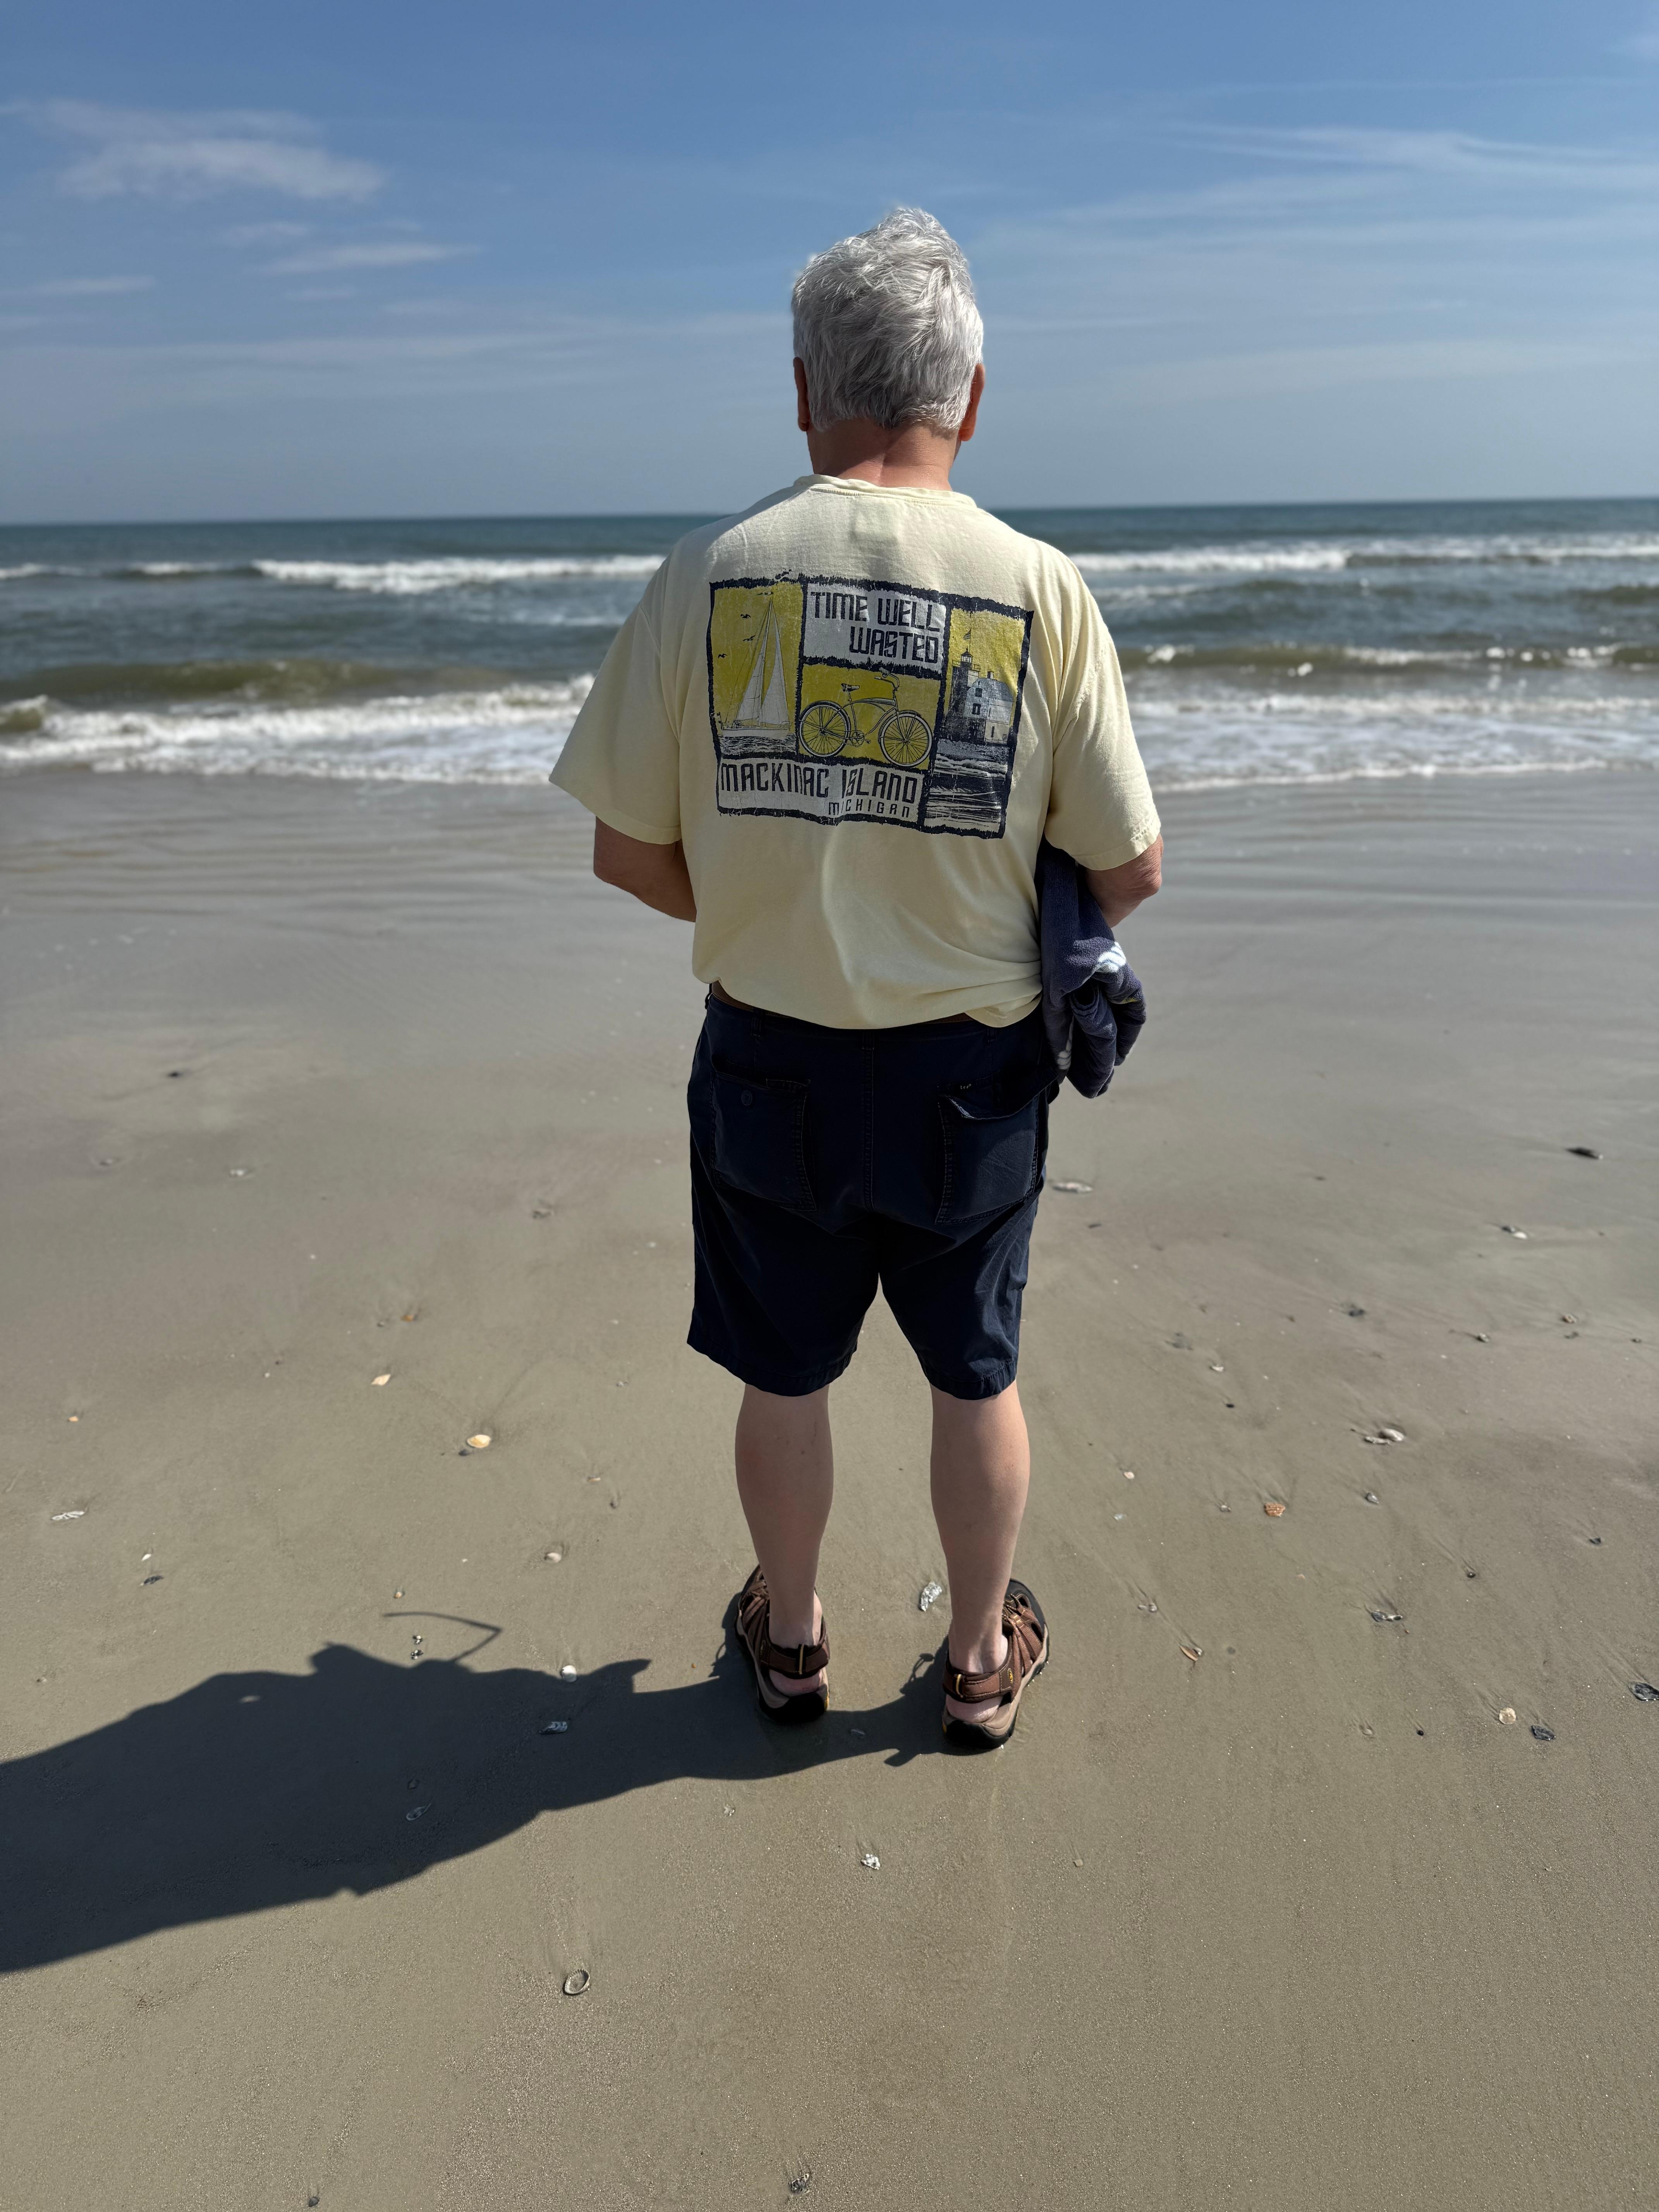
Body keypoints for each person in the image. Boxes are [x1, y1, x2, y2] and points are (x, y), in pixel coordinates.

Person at [550, 208, 1162, 1748]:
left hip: (769, 1060)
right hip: (974, 1068)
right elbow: (1131, 865)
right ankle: (973, 1664)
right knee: (976, 1377)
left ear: (805, 390)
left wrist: (757, 906)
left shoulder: (709, 576)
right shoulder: (1040, 591)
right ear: (970, 397)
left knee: (783, 1372)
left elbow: (628, 849)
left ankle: (796, 1641)